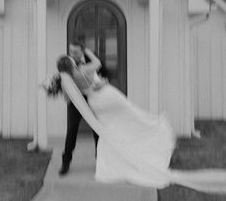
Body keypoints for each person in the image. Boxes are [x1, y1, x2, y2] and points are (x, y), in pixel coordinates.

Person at [56, 49, 226, 193]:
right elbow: (98, 63)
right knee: (133, 116)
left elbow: (67, 98)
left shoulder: (67, 81)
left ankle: (115, 160)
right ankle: (154, 127)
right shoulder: (84, 69)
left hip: (95, 103)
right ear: (71, 63)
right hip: (108, 96)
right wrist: (87, 52)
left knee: (112, 129)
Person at [59, 39, 106, 176]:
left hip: (92, 99)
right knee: (71, 131)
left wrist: (102, 83)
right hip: (74, 101)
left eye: (75, 51)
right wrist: (66, 95)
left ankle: (101, 162)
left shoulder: (91, 59)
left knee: (97, 131)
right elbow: (63, 80)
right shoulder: (66, 62)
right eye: (70, 50)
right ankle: (65, 163)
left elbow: (103, 74)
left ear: (82, 50)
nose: (72, 53)